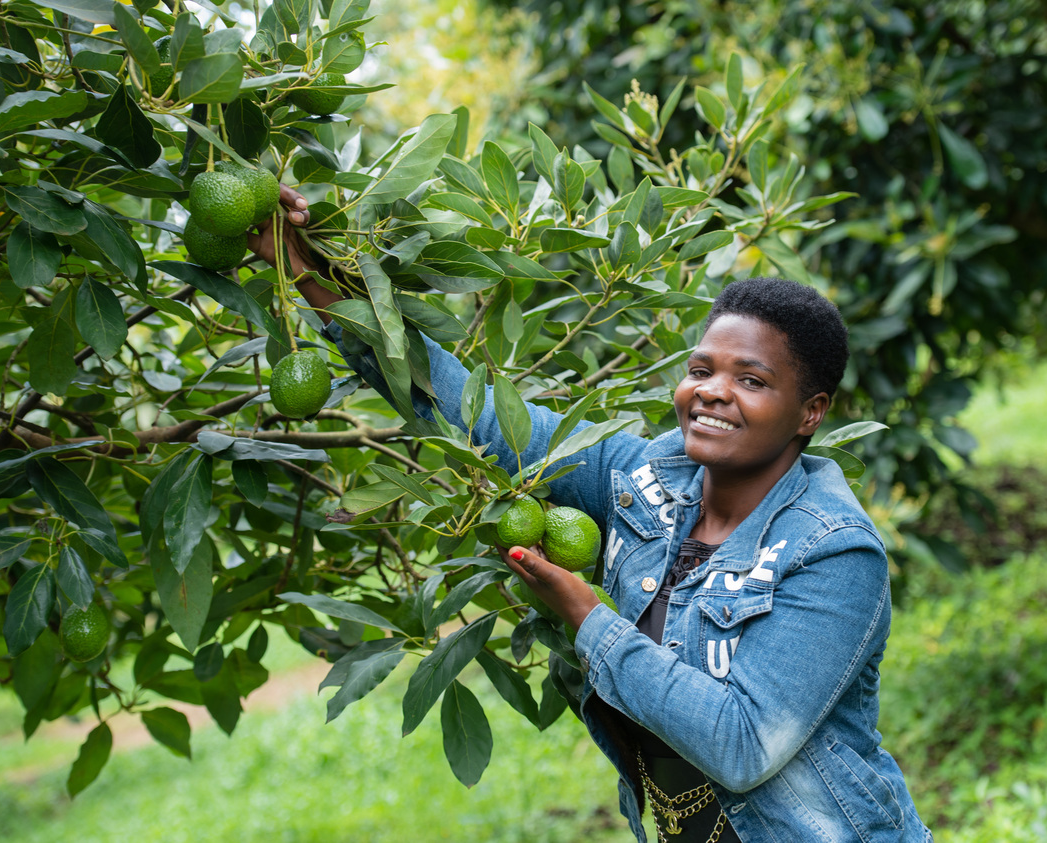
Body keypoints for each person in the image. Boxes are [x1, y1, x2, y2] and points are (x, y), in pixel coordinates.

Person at [250, 187, 933, 843]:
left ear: (809, 412)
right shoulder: (636, 479)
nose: (712, 393)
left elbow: (742, 744)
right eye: (700, 369)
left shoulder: (834, 551)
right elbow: (460, 403)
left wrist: (587, 618)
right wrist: (309, 266)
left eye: (750, 380)